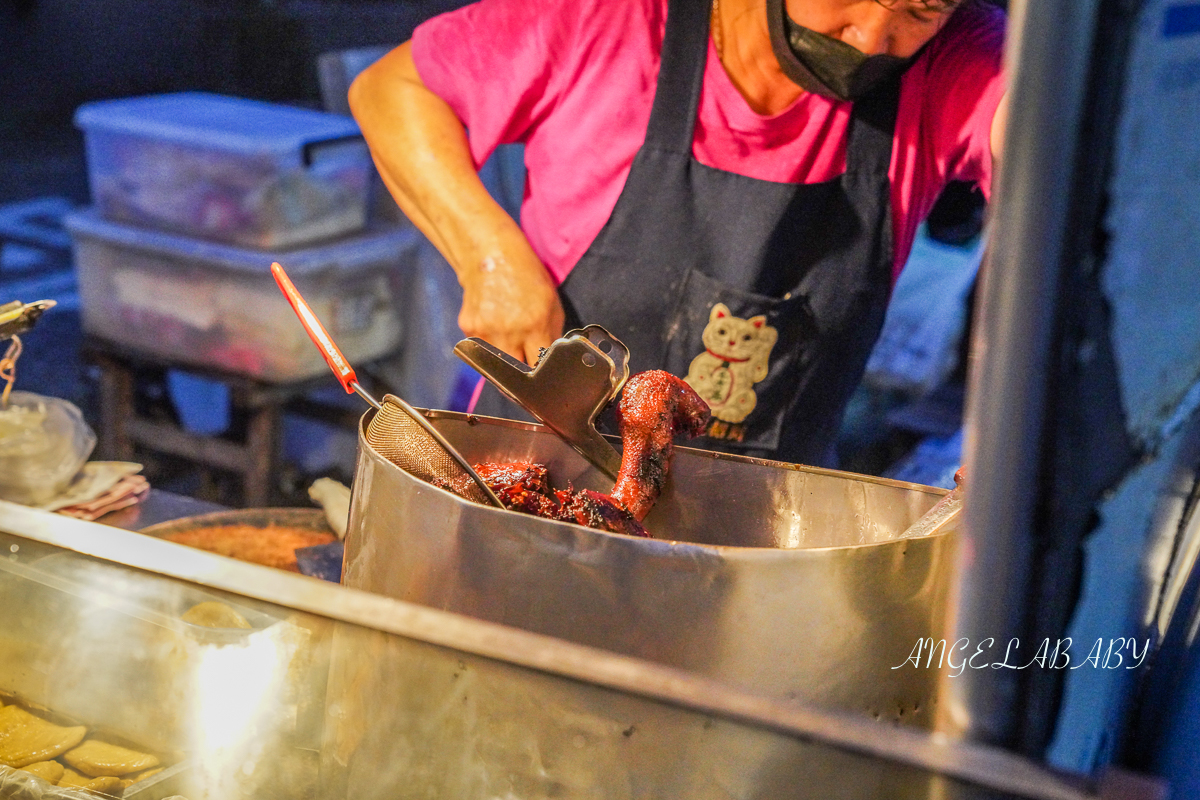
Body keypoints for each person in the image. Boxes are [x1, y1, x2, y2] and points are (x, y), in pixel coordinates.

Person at [349, 0, 1008, 466]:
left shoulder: (954, 64)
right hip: (527, 492)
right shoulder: (614, 18)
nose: (869, 36)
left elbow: (1049, 152)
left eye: (921, 9)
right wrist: (487, 257)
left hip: (764, 551)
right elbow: (396, 88)